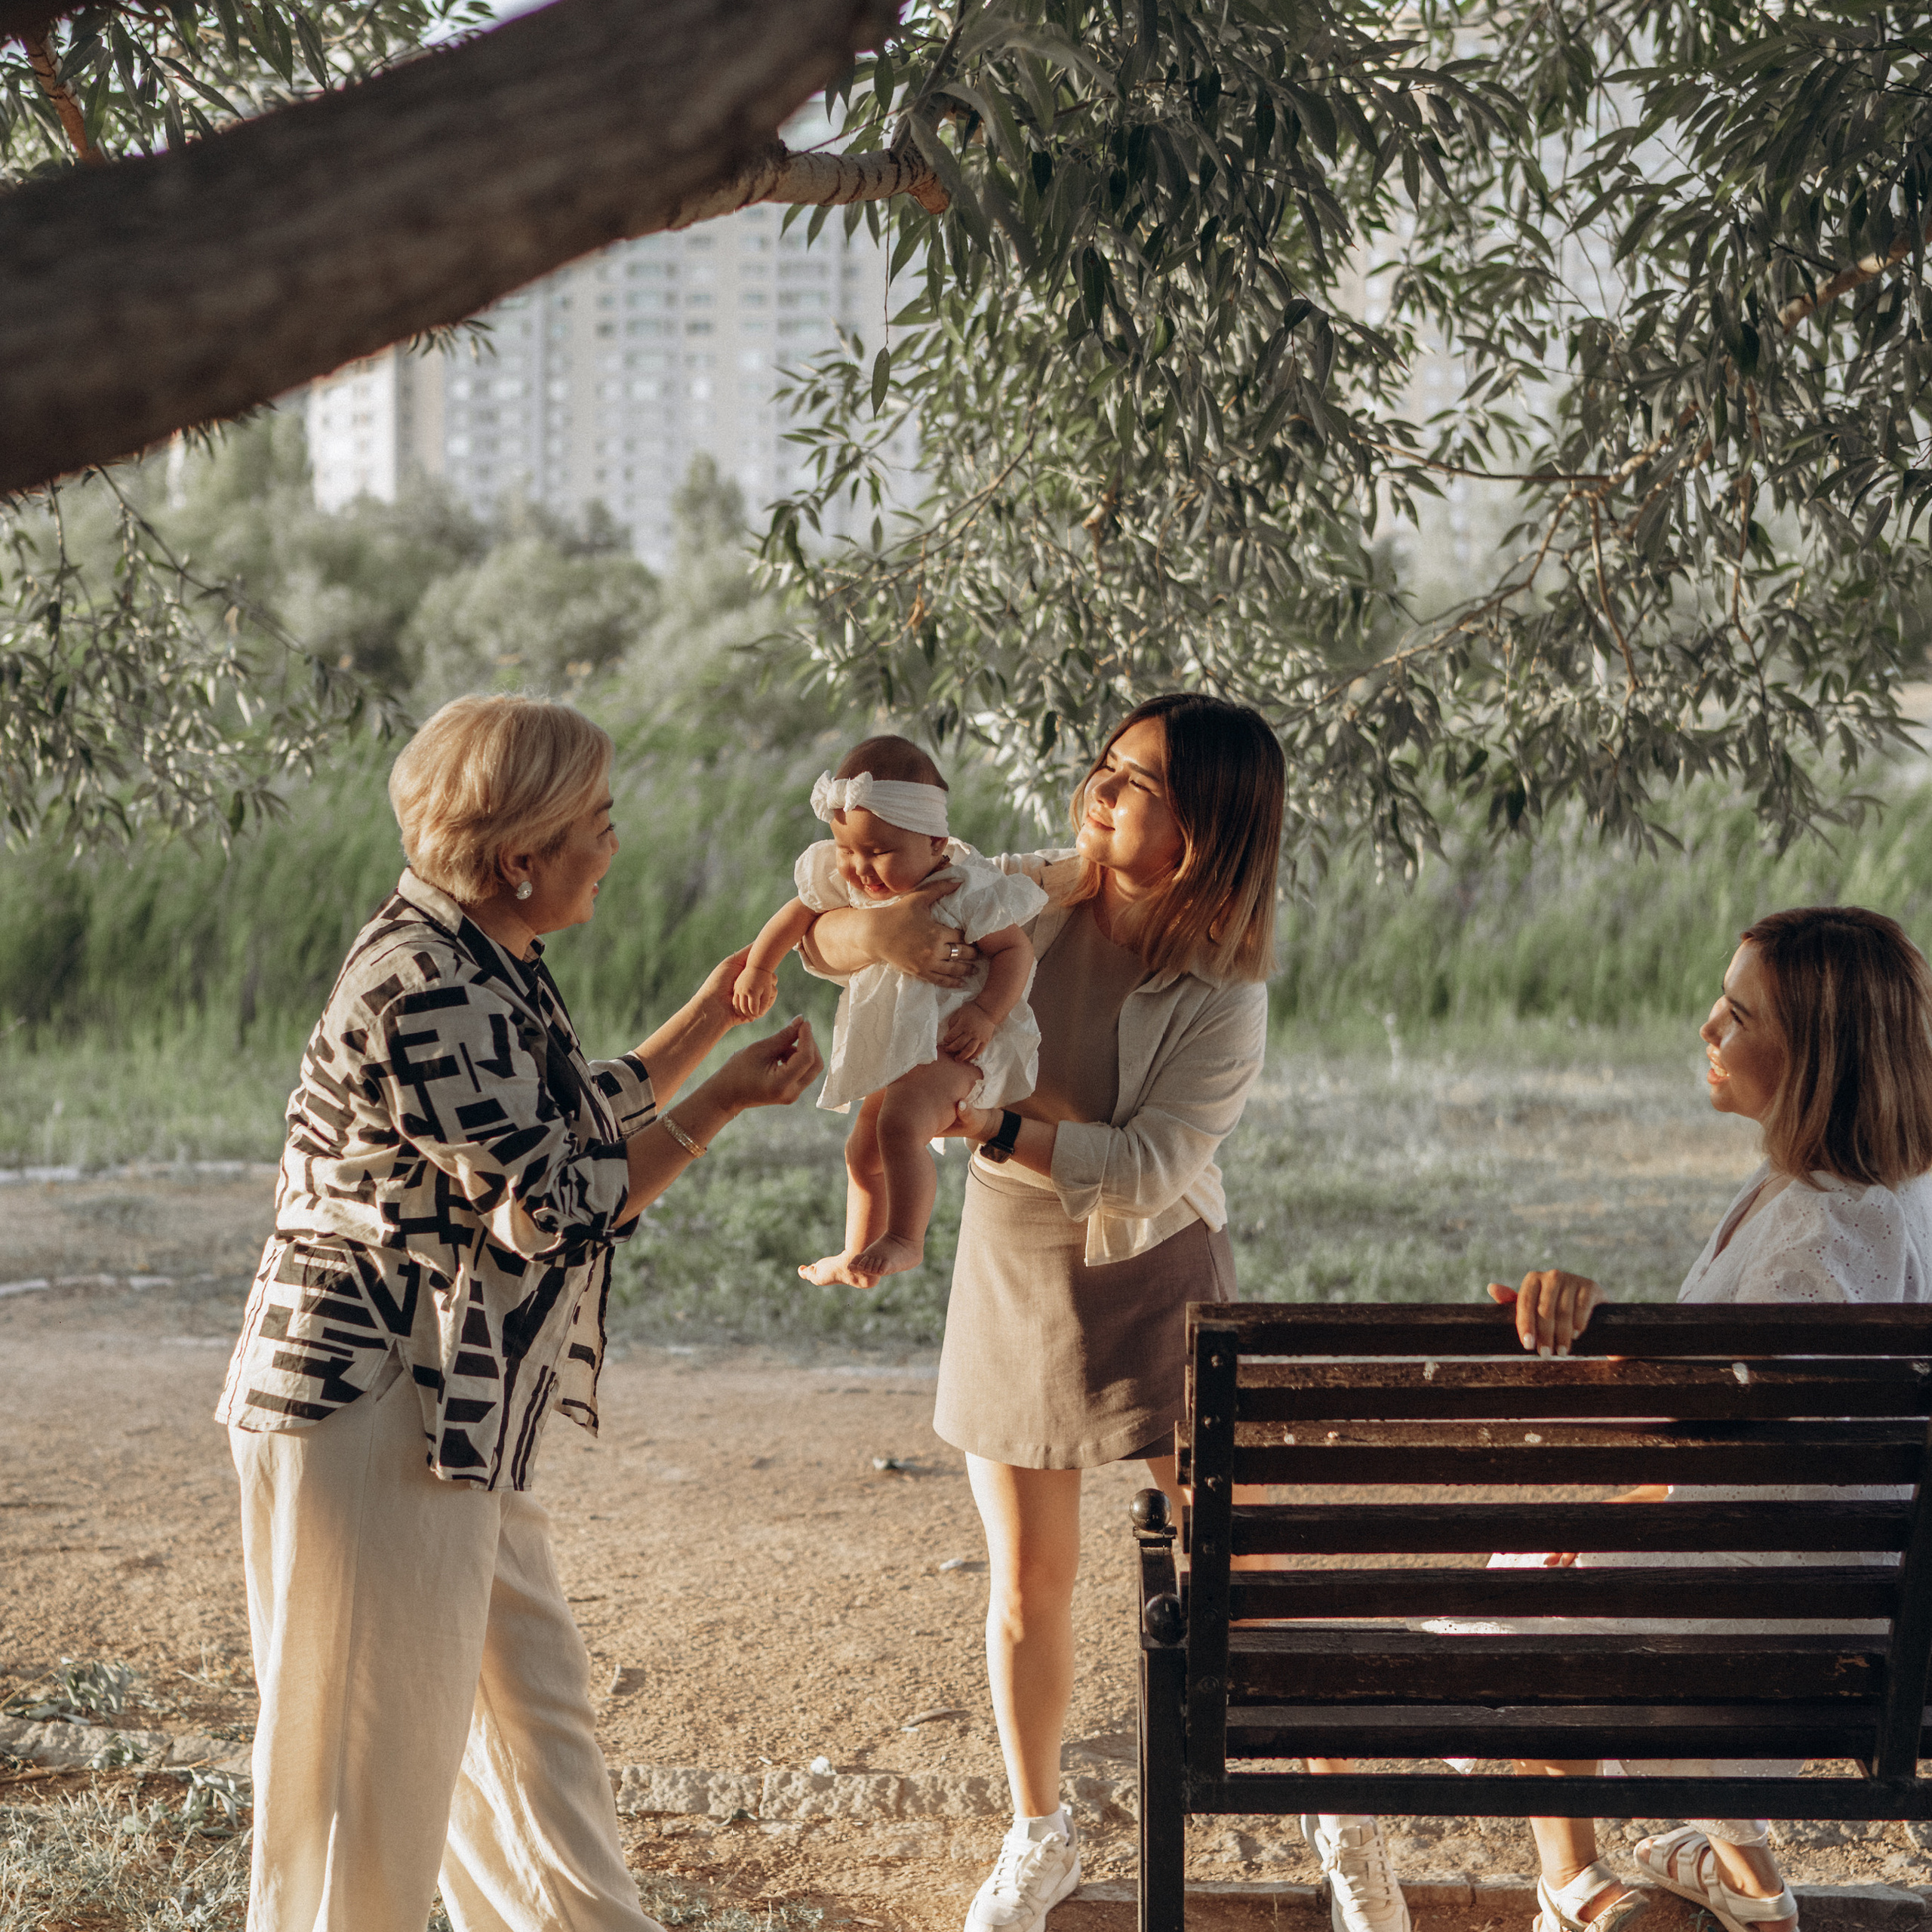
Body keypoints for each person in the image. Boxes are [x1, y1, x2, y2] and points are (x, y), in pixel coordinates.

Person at [798, 694, 1409, 1932]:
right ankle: (1040, 1835)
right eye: (1106, 767)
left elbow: (1145, 1169)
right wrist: (882, 938)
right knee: (1029, 1582)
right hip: (1012, 1261)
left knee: (1239, 1563)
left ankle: (1342, 1818)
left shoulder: (1227, 991)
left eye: (1137, 785)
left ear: (1204, 831)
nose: (1100, 793)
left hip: (1158, 1267)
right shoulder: (1034, 890)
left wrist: (986, 1126)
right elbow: (827, 932)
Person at [215, 694, 822, 1932]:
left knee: (531, 1735)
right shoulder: (427, 985)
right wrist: (716, 1105)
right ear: (521, 859)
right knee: (365, 1780)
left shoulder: (472, 954)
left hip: (452, 1408)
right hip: (372, 1408)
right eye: (597, 822)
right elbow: (546, 1203)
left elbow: (558, 1114)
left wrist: (713, 1018)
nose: (614, 845)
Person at [1488, 905, 1932, 1932]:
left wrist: (1595, 1330)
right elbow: (1781, 1446)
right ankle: (1744, 1877)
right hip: (1868, 1594)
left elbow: (1713, 1427)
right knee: (1606, 1543)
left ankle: (1572, 1886)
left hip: (1765, 1618)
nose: (1708, 1026)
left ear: (1816, 1053)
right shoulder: (1894, 1195)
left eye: (1739, 1014)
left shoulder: (1816, 1231)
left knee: (1519, 1586)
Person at [734, 735, 1045, 1287]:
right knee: (862, 1151)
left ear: (935, 841)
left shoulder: (964, 888)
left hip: (956, 1042)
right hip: (899, 1044)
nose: (858, 867)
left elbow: (1014, 952)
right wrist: (759, 967)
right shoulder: (852, 881)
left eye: (878, 851)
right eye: (847, 849)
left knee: (900, 1126)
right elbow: (796, 916)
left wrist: (986, 1014)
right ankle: (856, 1253)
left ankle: (906, 1238)